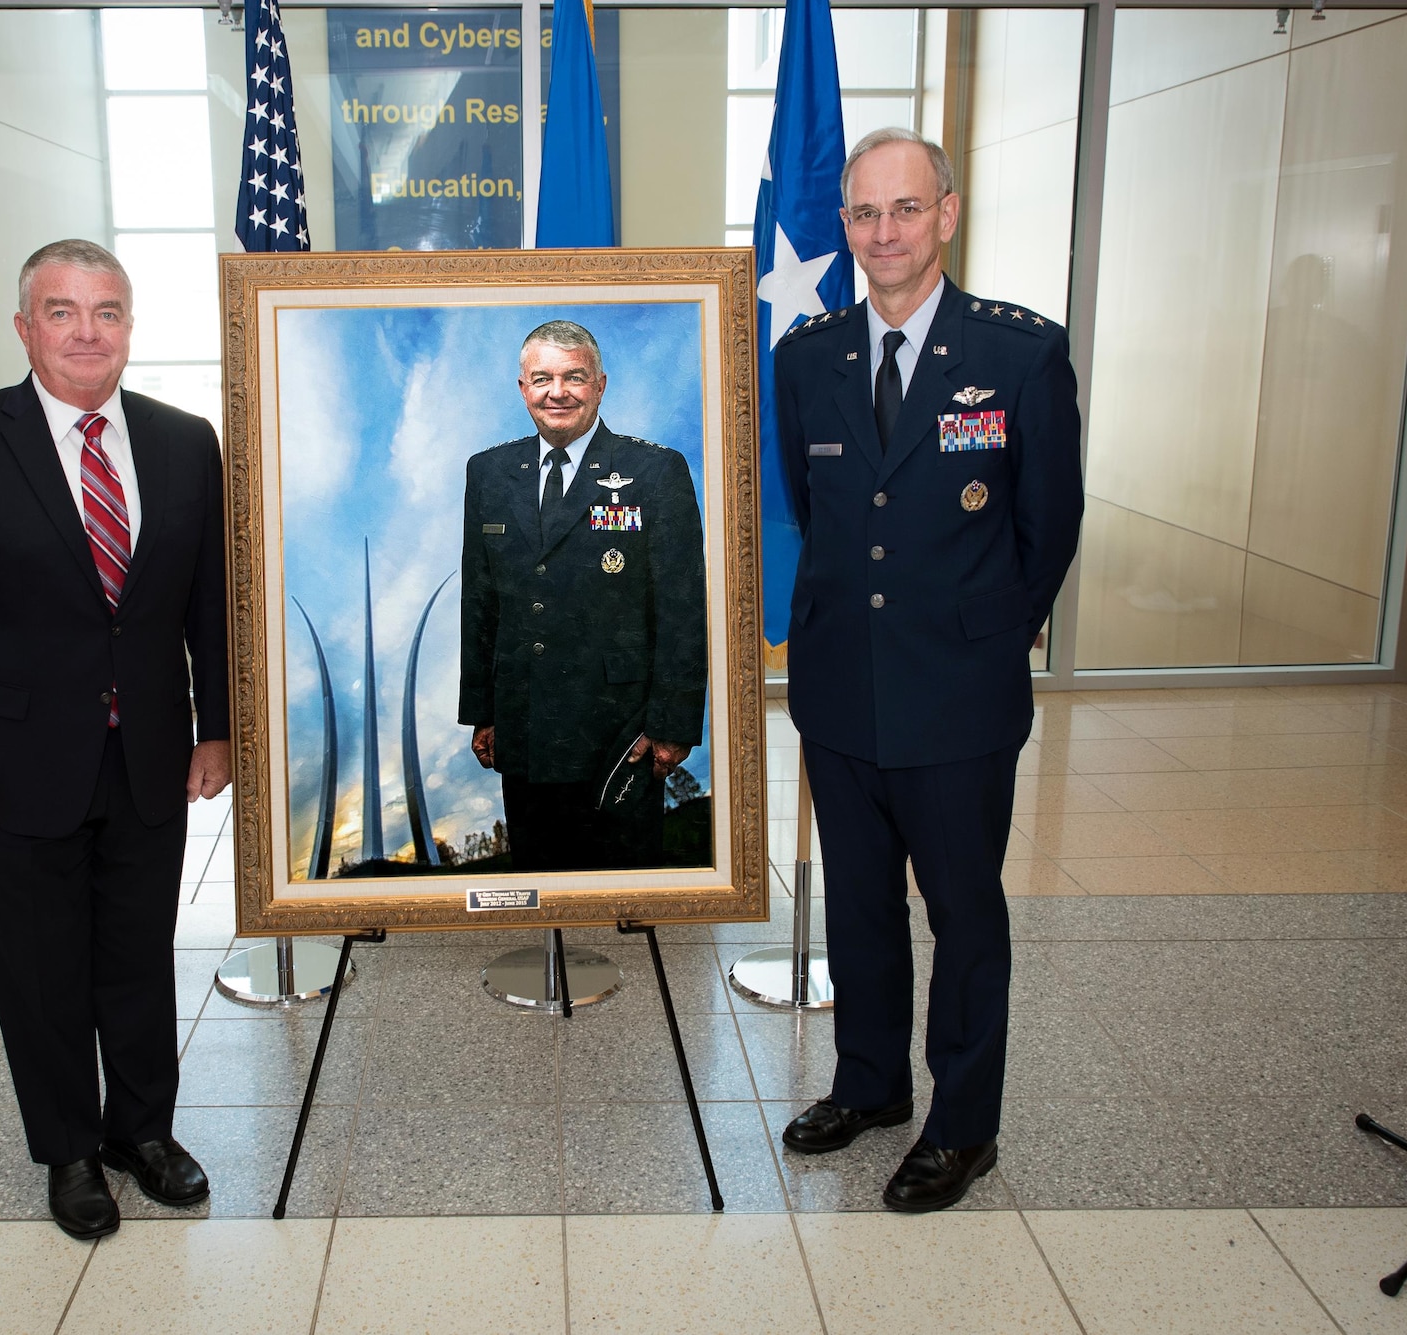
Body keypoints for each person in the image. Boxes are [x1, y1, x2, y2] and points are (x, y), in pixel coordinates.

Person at [772, 128, 1084, 1212]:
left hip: (956, 690)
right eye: (862, 214)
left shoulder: (1017, 354)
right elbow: (817, 511)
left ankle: (962, 1125)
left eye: (904, 210)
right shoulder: (806, 356)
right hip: (838, 682)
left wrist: (989, 636)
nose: (882, 233)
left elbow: (1048, 525)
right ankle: (869, 1085)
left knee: (961, 912)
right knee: (856, 904)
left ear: (945, 214)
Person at [0, 239, 231, 1239]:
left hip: (147, 756)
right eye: (63, 311)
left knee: (135, 951)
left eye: (107, 312)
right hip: (14, 763)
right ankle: (68, 1150)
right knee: (40, 969)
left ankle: (141, 1132)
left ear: (130, 326)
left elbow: (204, 603)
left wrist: (215, 731)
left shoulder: (183, 441)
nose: (87, 332)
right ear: (23, 327)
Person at [458, 320, 708, 871]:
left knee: (622, 885)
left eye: (574, 377)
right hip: (523, 720)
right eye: (541, 378)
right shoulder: (490, 472)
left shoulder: (655, 471)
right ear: (522, 388)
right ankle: (549, 958)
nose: (558, 392)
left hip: (619, 725)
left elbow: (683, 608)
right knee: (537, 876)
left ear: (600, 384)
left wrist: (673, 724)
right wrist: (482, 712)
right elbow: (480, 601)